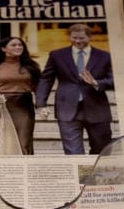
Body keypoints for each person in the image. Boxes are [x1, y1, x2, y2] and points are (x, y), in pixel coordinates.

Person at [35, 23, 113, 155]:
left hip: (97, 108)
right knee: (73, 152)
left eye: (81, 38)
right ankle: (80, 176)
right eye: (74, 38)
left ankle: (95, 175)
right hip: (67, 108)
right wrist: (41, 104)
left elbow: (115, 80)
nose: (77, 41)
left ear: (90, 37)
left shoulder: (105, 56)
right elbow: (46, 79)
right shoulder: (57, 55)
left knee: (102, 150)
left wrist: (96, 83)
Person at [0, 36, 41, 154]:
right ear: (3, 49)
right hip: (0, 105)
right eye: (14, 45)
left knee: (23, 141)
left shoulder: (31, 66)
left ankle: (24, 168)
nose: (18, 47)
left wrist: (41, 106)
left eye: (20, 45)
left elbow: (38, 89)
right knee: (3, 142)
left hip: (23, 105)